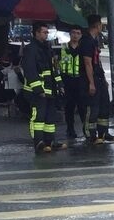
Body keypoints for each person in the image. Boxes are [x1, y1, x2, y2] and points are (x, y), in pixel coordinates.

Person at [22, 21, 65, 153]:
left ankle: (50, 141)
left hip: (50, 89)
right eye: (44, 32)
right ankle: (38, 142)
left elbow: (54, 69)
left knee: (50, 118)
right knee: (38, 117)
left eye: (47, 32)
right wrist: (38, 89)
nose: (47, 34)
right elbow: (30, 71)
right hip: (36, 92)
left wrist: (60, 84)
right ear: (36, 33)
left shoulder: (48, 48)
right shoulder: (30, 49)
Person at [81, 14, 114, 143]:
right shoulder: (86, 41)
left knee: (104, 105)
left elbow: (97, 62)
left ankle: (103, 132)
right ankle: (91, 134)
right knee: (93, 107)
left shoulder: (94, 40)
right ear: (97, 25)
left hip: (99, 78)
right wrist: (91, 83)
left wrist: (103, 79)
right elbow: (87, 63)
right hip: (91, 79)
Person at [58, 24, 89, 141]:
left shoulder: (83, 48)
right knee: (69, 107)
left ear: (81, 35)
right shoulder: (63, 47)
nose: (75, 35)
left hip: (81, 80)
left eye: (78, 33)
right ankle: (70, 129)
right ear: (70, 34)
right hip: (68, 80)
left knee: (82, 107)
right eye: (73, 33)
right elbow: (58, 65)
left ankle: (85, 129)